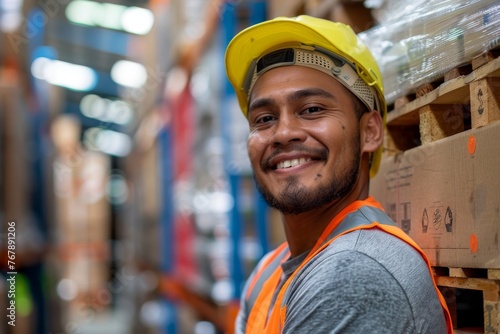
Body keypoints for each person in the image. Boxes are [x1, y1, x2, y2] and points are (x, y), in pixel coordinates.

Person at [224, 15, 453, 333]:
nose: (283, 132)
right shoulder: (269, 271)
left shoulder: (354, 271)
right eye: (264, 118)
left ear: (370, 132)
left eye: (312, 109)